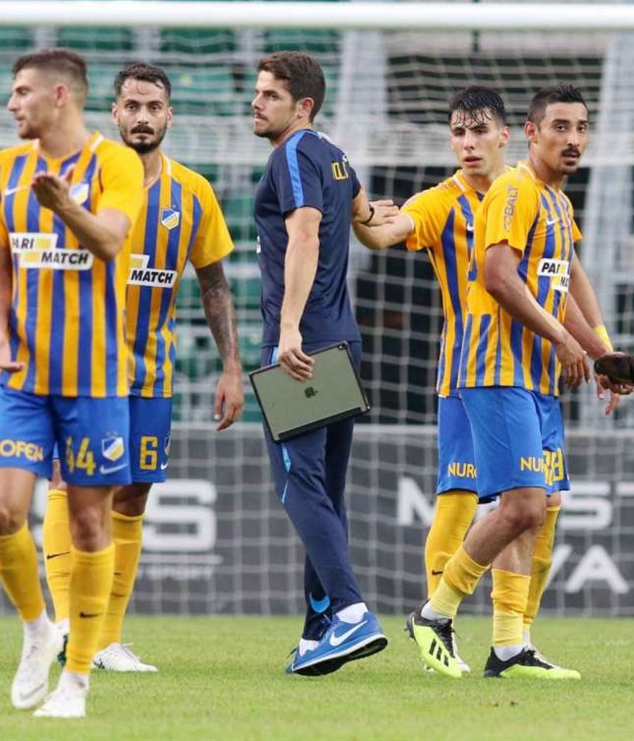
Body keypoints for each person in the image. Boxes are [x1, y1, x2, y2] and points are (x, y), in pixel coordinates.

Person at [405, 84, 634, 679]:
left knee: (542, 506)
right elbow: (497, 276)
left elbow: (562, 286)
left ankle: (510, 644)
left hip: (536, 377)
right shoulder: (514, 189)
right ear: (530, 133)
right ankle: (434, 613)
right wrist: (564, 340)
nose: (573, 139)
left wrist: (602, 354)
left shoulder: (557, 203)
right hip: (494, 367)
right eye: (560, 127)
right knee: (519, 505)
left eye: (581, 128)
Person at [42, 62, 244, 673]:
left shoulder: (193, 193)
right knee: (69, 483)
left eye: (154, 107)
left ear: (169, 115)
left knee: (131, 497)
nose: (142, 117)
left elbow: (214, 283)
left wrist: (231, 366)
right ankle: (63, 625)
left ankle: (105, 639)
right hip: (81, 365)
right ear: (114, 112)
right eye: (132, 105)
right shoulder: (81, 177)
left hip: (151, 371)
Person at [0, 48, 144, 719]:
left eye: (21, 92)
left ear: (58, 96)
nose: (11, 104)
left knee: (88, 521)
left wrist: (66, 207)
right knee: (1, 513)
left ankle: (75, 679)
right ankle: (36, 627)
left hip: (96, 378)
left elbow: (109, 241)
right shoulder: (4, 167)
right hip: (24, 377)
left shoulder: (115, 164)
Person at [252, 51, 393, 676]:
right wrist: (379, 216)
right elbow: (362, 213)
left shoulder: (291, 154)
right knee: (326, 491)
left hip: (301, 346)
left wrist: (287, 328)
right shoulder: (336, 155)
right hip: (342, 341)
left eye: (270, 95)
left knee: (297, 483)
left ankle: (352, 610)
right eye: (258, 92)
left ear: (302, 106)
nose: (256, 102)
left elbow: (305, 233)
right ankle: (318, 633)